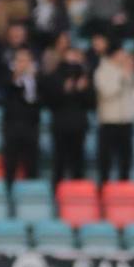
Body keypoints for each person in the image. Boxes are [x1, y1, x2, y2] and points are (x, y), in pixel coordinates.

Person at [42, 41, 95, 184]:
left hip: (79, 125)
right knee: (59, 163)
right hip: (60, 125)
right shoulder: (55, 76)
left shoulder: (85, 77)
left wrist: (81, 90)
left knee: (78, 163)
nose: (74, 59)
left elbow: (92, 103)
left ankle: (76, 195)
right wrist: (64, 90)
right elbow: (49, 101)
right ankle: (57, 193)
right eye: (72, 54)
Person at [93, 42, 134, 183]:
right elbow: (107, 92)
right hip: (109, 121)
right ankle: (104, 188)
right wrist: (122, 77)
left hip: (126, 120)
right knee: (106, 160)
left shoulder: (125, 69)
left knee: (126, 159)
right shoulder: (102, 70)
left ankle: (124, 186)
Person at [1, 48, 42, 187]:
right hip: (12, 128)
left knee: (32, 165)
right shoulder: (7, 77)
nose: (23, 64)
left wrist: (32, 81)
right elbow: (7, 90)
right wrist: (17, 76)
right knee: (10, 165)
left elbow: (39, 100)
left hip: (31, 127)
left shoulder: (37, 79)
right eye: (20, 61)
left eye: (26, 61)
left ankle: (30, 196)